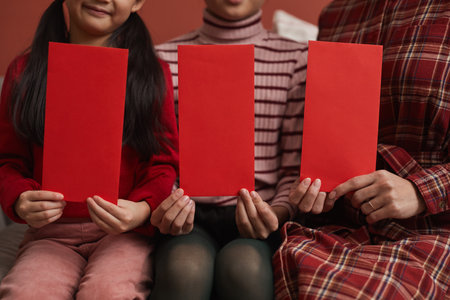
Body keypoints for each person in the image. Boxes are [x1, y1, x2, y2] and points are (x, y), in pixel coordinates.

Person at [0, 0, 178, 299]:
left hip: (124, 234)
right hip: (51, 233)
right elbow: (8, 160)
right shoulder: (24, 71)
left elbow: (163, 163)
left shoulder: (152, 73)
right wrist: (20, 199)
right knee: (26, 292)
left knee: (108, 292)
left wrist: (141, 209)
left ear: (137, 3)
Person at [275, 0, 449, 299]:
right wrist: (318, 187)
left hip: (432, 229)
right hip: (339, 226)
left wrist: (421, 192)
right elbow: (332, 123)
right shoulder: (337, 14)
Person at [152, 0, 307, 299]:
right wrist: (165, 201)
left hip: (261, 212)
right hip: (186, 215)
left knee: (244, 268)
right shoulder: (162, 59)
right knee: (185, 268)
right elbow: (157, 158)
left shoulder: (297, 58)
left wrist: (276, 214)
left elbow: (293, 168)